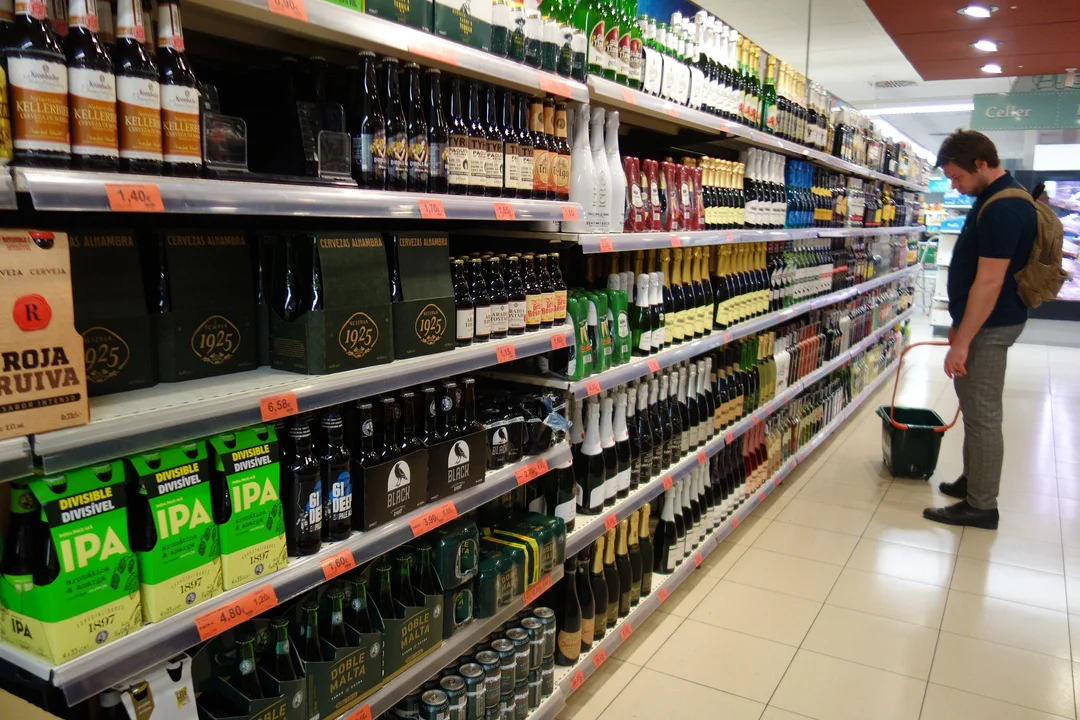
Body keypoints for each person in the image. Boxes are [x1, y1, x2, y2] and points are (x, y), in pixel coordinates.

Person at [923, 129, 1037, 530]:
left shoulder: (1005, 208)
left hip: (991, 325)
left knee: (983, 413)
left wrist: (963, 340)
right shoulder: (993, 197)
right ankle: (974, 481)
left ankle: (982, 505)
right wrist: (959, 325)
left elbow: (989, 283)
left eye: (957, 177)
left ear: (981, 164)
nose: (955, 186)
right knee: (973, 406)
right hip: (982, 323)